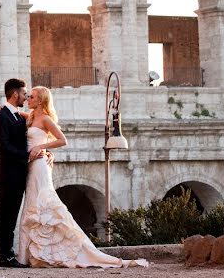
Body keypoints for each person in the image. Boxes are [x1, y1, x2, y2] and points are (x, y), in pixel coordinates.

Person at [16, 86, 149, 268]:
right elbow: (17, 115)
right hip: (32, 166)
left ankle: (38, 255)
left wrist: (42, 147)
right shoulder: (31, 117)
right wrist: (5, 109)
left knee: (42, 206)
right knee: (31, 208)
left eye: (31, 97)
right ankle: (29, 256)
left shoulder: (46, 119)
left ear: (40, 101)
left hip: (39, 165)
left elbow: (63, 140)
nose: (27, 99)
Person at [0, 78, 44, 268]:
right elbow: (3, 146)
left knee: (12, 215)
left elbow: (33, 128)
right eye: (24, 94)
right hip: (7, 175)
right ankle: (5, 256)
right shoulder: (0, 117)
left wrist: (42, 150)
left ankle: (9, 255)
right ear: (15, 94)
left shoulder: (15, 115)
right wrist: (28, 155)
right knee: (6, 216)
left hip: (19, 174)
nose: (26, 97)